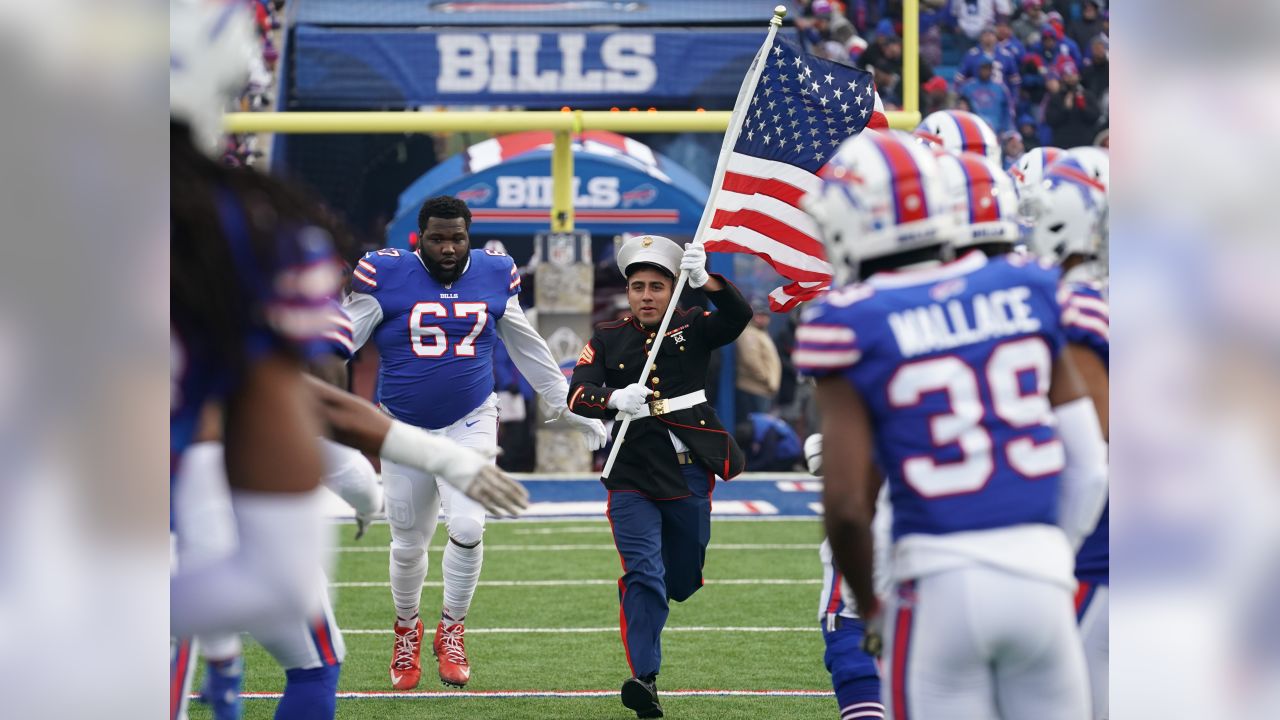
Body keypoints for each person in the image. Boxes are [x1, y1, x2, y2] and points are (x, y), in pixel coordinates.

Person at [796, 130, 1107, 719]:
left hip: (936, 583)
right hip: (1041, 576)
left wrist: (871, 609)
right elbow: (1089, 466)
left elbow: (846, 505)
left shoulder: (849, 319)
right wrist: (1045, 556)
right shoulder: (1029, 286)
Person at [343, 195, 607, 690]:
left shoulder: (494, 272)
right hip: (402, 427)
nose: (448, 248)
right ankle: (406, 630)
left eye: (457, 238)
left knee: (467, 524)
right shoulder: (384, 274)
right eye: (438, 238)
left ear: (470, 237)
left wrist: (568, 405)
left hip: (471, 420)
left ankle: (451, 628)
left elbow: (527, 346)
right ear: (418, 239)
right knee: (407, 544)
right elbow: (339, 341)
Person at [567, 235, 752, 718]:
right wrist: (611, 399)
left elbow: (738, 319)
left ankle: (666, 590)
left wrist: (706, 281)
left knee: (683, 575)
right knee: (643, 573)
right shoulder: (608, 336)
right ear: (626, 292)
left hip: (689, 471)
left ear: (672, 291)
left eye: (657, 286)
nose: (646, 295)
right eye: (637, 287)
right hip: (632, 472)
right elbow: (577, 393)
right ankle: (644, 679)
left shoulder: (693, 325)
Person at [734, 303, 782, 423]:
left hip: (761, 389)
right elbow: (751, 361)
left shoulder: (760, 333)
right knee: (754, 429)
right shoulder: (750, 333)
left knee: (760, 428)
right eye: (759, 315)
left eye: (765, 315)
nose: (762, 318)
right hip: (753, 388)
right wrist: (766, 379)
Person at [957, 58, 1015, 136]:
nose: (986, 71)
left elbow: (1007, 111)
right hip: (973, 129)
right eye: (983, 68)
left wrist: (1004, 129)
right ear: (978, 69)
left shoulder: (1000, 88)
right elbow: (960, 110)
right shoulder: (968, 87)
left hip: (996, 131)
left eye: (988, 68)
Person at [735, 412, 803, 472]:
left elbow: (767, 460)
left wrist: (747, 468)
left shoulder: (770, 432)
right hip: (778, 451)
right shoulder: (754, 420)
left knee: (765, 469)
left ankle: (793, 468)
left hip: (788, 455)